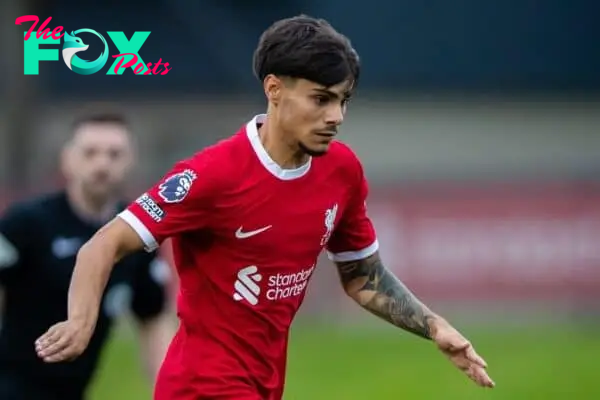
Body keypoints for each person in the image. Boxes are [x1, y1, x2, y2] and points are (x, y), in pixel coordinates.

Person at [35, 15, 495, 400]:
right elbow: (103, 243)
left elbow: (361, 275)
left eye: (342, 100)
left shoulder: (342, 172)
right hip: (201, 385)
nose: (336, 116)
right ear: (274, 89)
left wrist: (434, 326)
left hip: (264, 384)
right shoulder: (211, 175)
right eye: (321, 99)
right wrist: (81, 321)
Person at [0, 113, 175, 400]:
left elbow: (153, 318)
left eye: (114, 154)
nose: (102, 164)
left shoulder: (138, 236)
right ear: (67, 159)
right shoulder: (26, 223)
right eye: (90, 152)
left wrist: (169, 391)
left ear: (130, 161)